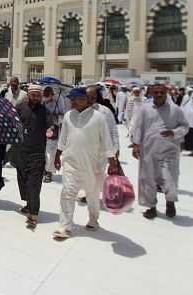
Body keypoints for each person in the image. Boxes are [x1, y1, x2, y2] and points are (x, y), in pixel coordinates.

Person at [52, 87, 118, 240]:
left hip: (93, 165)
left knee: (92, 195)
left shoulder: (99, 118)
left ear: (86, 100)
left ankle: (93, 219)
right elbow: (63, 138)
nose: (73, 102)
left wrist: (112, 161)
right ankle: (65, 227)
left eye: (76, 99)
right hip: (71, 163)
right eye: (72, 99)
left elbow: (107, 142)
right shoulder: (68, 116)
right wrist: (57, 155)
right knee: (67, 193)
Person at [131, 83, 189, 220]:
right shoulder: (145, 109)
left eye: (161, 92)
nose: (158, 95)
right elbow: (139, 127)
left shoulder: (175, 110)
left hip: (169, 151)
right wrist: (136, 144)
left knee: (170, 178)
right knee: (148, 179)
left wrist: (173, 133)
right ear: (151, 93)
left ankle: (170, 202)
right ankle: (151, 207)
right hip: (149, 150)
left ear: (166, 93)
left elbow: (185, 126)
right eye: (156, 92)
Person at [13, 84, 48, 229]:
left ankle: (33, 213)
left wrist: (51, 129)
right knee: (23, 180)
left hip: (37, 152)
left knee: (34, 183)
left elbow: (50, 124)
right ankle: (28, 204)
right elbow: (13, 121)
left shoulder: (44, 110)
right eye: (33, 95)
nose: (36, 97)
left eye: (38, 95)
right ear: (28, 94)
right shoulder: (20, 107)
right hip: (21, 150)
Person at [42, 86, 67, 183]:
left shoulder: (59, 100)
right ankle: (44, 169)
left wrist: (54, 118)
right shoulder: (42, 100)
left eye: (48, 94)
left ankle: (49, 172)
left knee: (51, 152)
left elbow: (63, 116)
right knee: (43, 151)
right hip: (42, 128)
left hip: (54, 130)